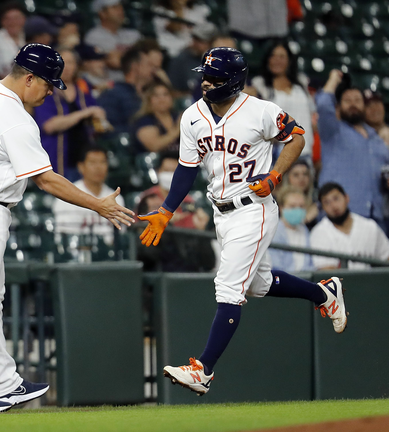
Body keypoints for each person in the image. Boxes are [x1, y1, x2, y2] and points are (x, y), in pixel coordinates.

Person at [137, 47, 347, 396]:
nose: (205, 83)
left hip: (255, 208)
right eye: (204, 76)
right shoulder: (191, 116)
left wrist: (276, 175)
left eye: (214, 78)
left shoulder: (260, 110)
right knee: (259, 284)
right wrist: (166, 210)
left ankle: (203, 369)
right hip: (221, 212)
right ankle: (325, 294)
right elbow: (187, 169)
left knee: (228, 286)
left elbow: (297, 137)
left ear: (233, 81)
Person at [0, 43, 135, 414]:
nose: (50, 91)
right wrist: (99, 204)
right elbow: (47, 181)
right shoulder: (15, 117)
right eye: (47, 84)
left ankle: (5, 381)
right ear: (29, 77)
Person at [316, 69, 389, 236]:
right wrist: (334, 79)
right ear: (339, 106)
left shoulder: (377, 140)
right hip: (340, 217)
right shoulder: (333, 131)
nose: (353, 104)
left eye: (357, 100)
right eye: (347, 101)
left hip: (376, 218)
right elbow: (322, 104)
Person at [34, 48, 110, 181]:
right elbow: (49, 125)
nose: (66, 67)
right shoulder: (45, 89)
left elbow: (94, 112)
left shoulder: (83, 87)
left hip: (84, 158)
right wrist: (84, 113)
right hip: (58, 157)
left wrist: (99, 118)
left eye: (70, 62)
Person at [135, 151, 215, 272]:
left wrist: (201, 230)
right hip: (158, 263)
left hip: (185, 262)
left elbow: (195, 247)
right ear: (158, 171)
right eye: (166, 170)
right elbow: (141, 238)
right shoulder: (149, 199)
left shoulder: (189, 202)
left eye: (174, 171)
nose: (170, 175)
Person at [250, 40, 316, 163]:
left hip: (306, 152)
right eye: (273, 56)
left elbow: (313, 115)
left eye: (282, 56)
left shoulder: (301, 82)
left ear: (289, 61)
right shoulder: (260, 85)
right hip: (278, 155)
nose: (277, 60)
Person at [52, 147, 125, 246]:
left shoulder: (116, 198)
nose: (98, 167)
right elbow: (64, 238)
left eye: (102, 162)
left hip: (109, 256)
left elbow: (121, 236)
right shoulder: (67, 196)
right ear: (81, 167)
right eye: (92, 163)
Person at [310, 182, 389, 270]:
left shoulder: (369, 226)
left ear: (346, 198)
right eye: (327, 202)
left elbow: (387, 257)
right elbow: (326, 272)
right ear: (323, 208)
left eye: (336, 199)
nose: (333, 206)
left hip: (371, 282)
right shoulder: (319, 233)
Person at [96, 46, 156, 137]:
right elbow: (106, 129)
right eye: (148, 65)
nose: (153, 69)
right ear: (135, 67)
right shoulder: (112, 94)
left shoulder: (152, 93)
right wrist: (139, 132)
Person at [84, 0, 142, 82]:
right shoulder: (94, 36)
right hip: (108, 85)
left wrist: (119, 56)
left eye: (120, 6)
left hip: (135, 85)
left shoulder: (134, 35)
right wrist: (131, 58)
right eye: (115, 7)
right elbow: (115, 62)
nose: (120, 10)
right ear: (102, 13)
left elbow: (143, 62)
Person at [166, 21, 216, 100]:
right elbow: (172, 93)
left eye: (200, 41)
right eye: (194, 39)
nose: (195, 44)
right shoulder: (181, 60)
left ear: (211, 44)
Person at [269, 186, 315, 273]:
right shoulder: (274, 231)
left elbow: (310, 264)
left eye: (301, 206)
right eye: (292, 206)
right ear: (281, 207)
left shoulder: (304, 230)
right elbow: (275, 266)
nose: (297, 210)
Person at [132, 80, 181, 154]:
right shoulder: (144, 121)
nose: (162, 99)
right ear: (149, 100)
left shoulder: (178, 116)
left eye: (165, 94)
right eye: (156, 96)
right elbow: (154, 146)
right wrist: (178, 130)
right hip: (158, 162)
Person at [0, 1, 27, 78]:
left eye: (16, 18)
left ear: (24, 19)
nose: (13, 22)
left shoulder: (29, 36)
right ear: (2, 21)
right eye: (8, 19)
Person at [279, 159, 319, 229]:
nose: (301, 178)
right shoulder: (276, 202)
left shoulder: (316, 203)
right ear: (288, 178)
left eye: (305, 174)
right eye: (296, 175)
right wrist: (304, 219)